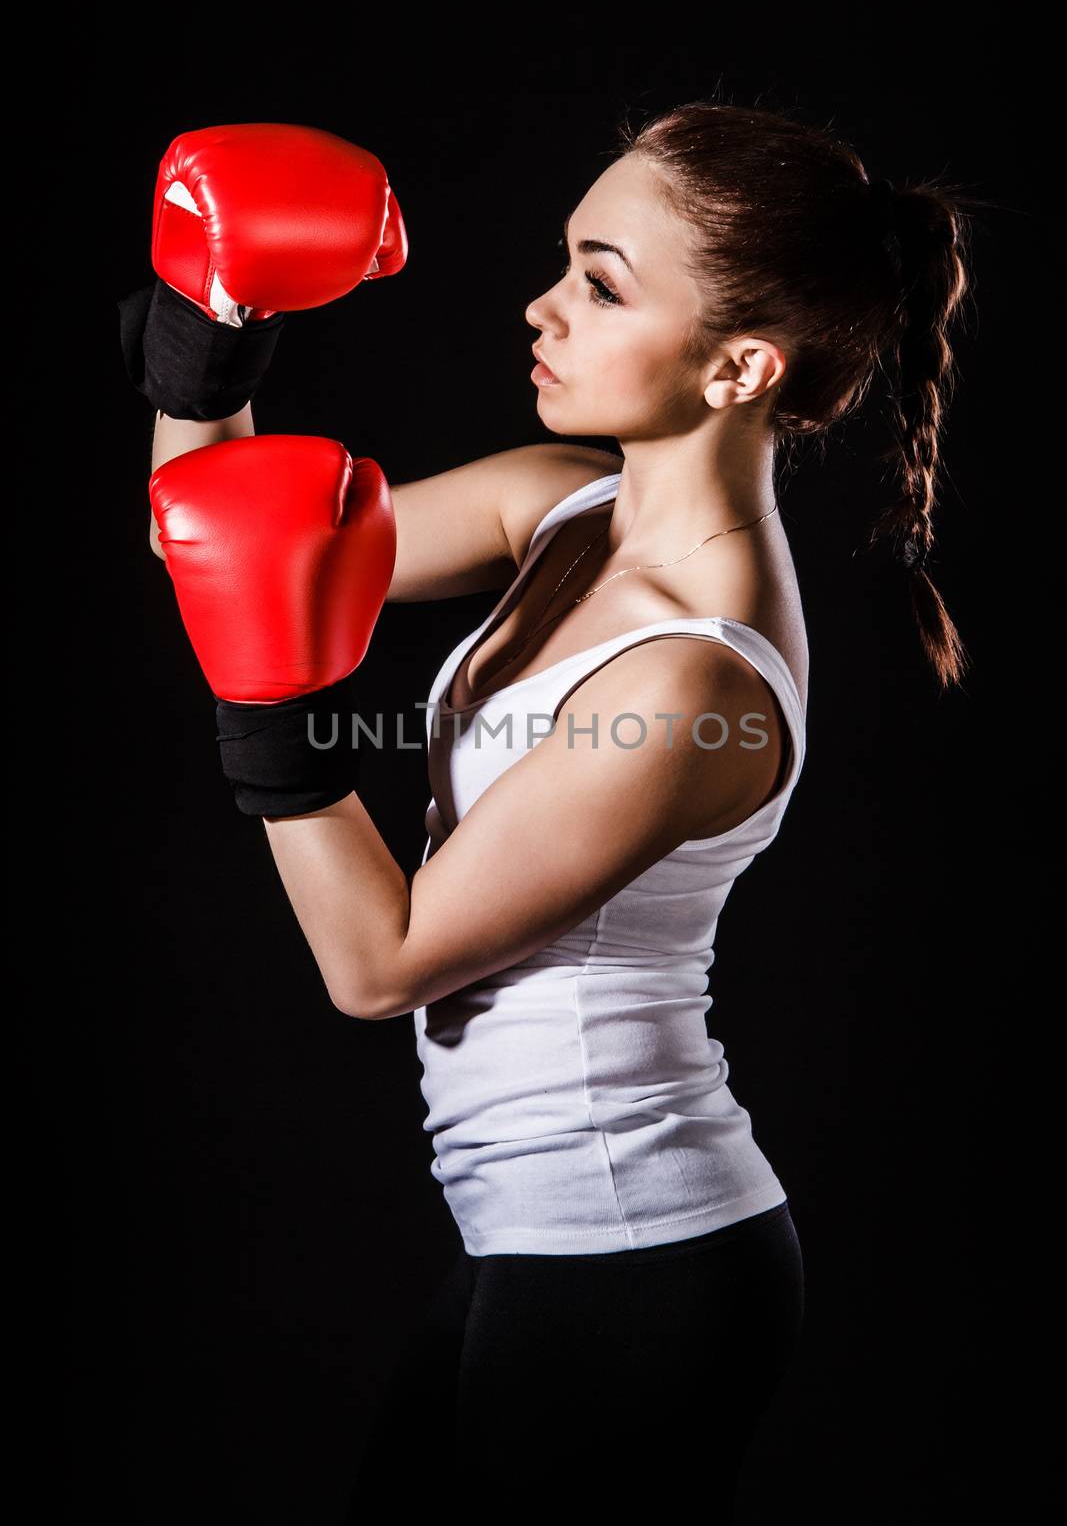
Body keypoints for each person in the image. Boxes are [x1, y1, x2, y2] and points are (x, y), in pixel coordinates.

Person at [137, 100, 976, 1514]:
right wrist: (206, 333)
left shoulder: (693, 679)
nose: (543, 306)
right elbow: (218, 533)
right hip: (539, 1245)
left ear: (741, 367)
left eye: (601, 281)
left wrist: (267, 704)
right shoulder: (565, 510)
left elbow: (379, 961)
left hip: (635, 1268)